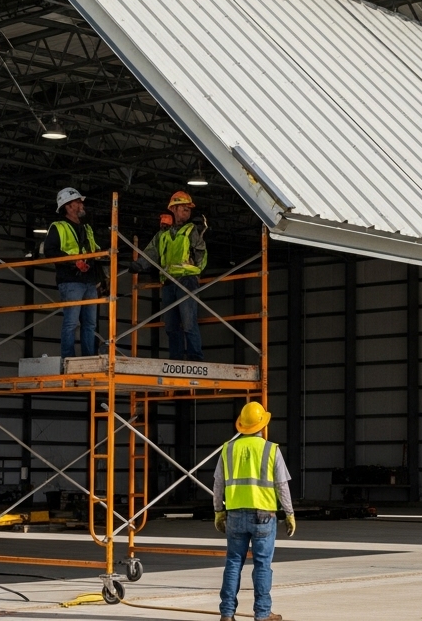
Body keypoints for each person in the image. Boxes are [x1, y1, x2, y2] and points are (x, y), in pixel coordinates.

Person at [213, 402, 295, 621]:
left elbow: (218, 484)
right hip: (263, 517)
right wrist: (289, 513)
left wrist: (218, 511)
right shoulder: (271, 449)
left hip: (235, 515)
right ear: (262, 424)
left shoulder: (227, 449)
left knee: (233, 563)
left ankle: (227, 614)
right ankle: (262, 613)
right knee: (262, 565)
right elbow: (281, 485)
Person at [133, 191, 208, 361]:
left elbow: (201, 253)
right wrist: (139, 264)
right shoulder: (163, 234)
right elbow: (152, 251)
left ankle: (195, 358)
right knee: (171, 325)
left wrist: (196, 272)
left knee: (189, 322)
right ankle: (176, 358)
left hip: (187, 280)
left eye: (189, 210)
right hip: (168, 282)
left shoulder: (191, 230)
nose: (187, 213)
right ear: (173, 209)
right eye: (184, 209)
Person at [43, 187, 104, 359]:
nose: (81, 204)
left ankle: (88, 358)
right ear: (68, 207)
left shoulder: (87, 229)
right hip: (71, 281)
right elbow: (50, 251)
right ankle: (67, 359)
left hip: (89, 280)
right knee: (71, 323)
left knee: (90, 323)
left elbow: (95, 251)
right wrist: (73, 261)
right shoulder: (58, 227)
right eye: (78, 202)